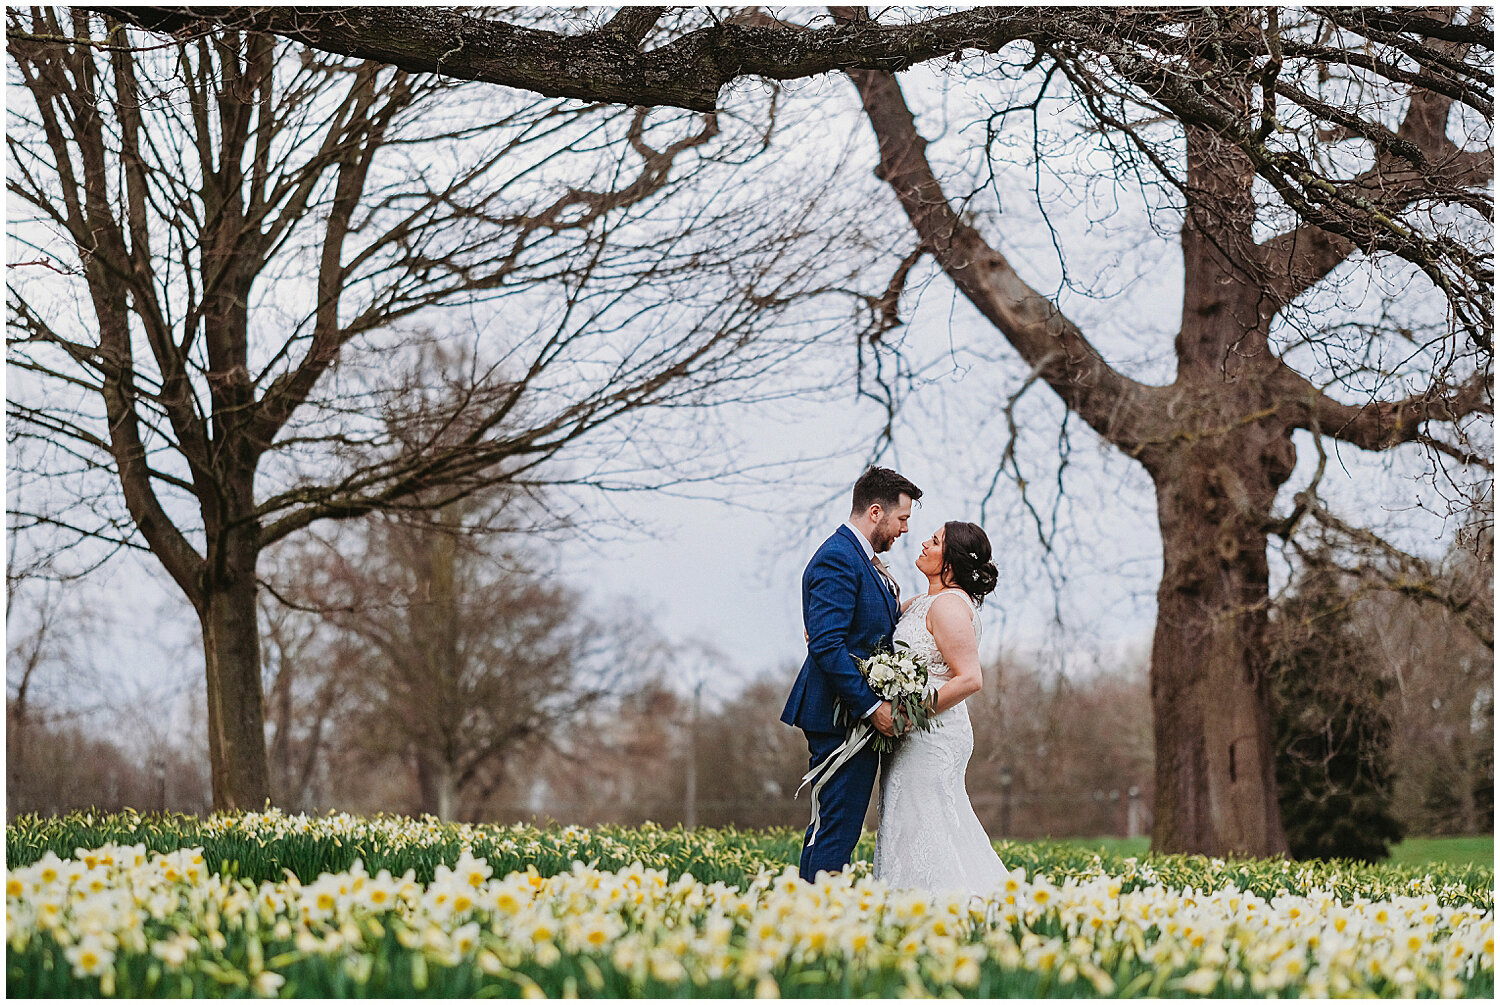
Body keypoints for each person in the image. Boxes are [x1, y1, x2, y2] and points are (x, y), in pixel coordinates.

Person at [781, 466, 922, 882]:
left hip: (850, 715)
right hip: (840, 716)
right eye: (902, 519)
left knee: (840, 827)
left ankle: (813, 910)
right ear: (875, 512)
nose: (904, 530)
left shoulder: (859, 558)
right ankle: (813, 917)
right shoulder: (838, 558)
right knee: (835, 827)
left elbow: (866, 626)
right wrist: (872, 705)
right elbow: (826, 645)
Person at [873, 520, 1008, 896]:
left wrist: (907, 714)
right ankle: (908, 900)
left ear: (950, 562)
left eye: (935, 542)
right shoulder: (921, 603)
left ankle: (942, 903)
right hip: (913, 731)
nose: (924, 544)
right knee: (911, 817)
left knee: (925, 820)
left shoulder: (949, 606)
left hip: (932, 733)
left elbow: (969, 678)